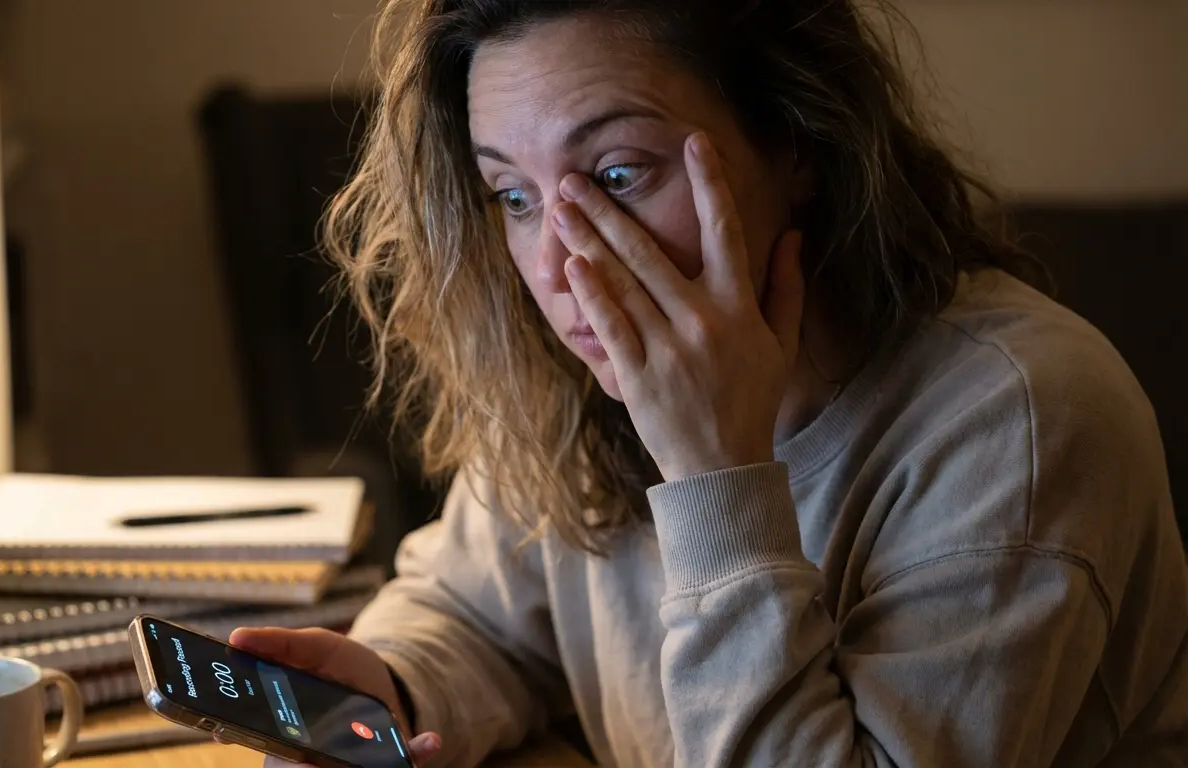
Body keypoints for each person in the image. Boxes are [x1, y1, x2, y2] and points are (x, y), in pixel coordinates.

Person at [230, 1, 1188, 765]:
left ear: (799, 143)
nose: (566, 266)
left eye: (616, 174)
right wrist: (392, 686)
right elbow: (474, 608)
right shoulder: (577, 386)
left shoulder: (1022, 421)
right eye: (514, 198)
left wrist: (714, 476)